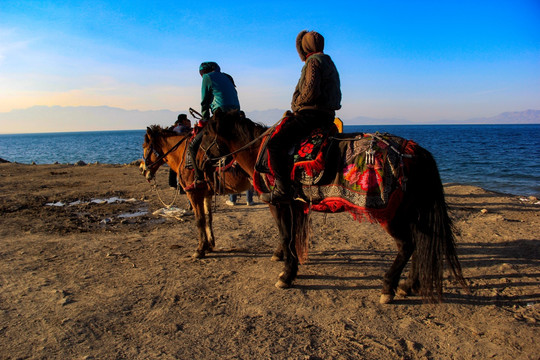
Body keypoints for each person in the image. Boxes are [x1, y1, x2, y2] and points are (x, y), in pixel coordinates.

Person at [261, 30, 342, 204]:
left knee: (274, 144)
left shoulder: (313, 62)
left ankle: (282, 190)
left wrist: (296, 104)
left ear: (306, 47)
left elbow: (310, 92)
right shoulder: (329, 62)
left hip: (311, 115)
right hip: (327, 116)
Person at [185, 61, 240, 191]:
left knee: (193, 146)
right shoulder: (227, 77)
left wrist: (204, 118)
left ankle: (199, 179)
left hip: (221, 114)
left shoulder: (207, 77)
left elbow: (205, 101)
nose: (201, 76)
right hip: (236, 112)